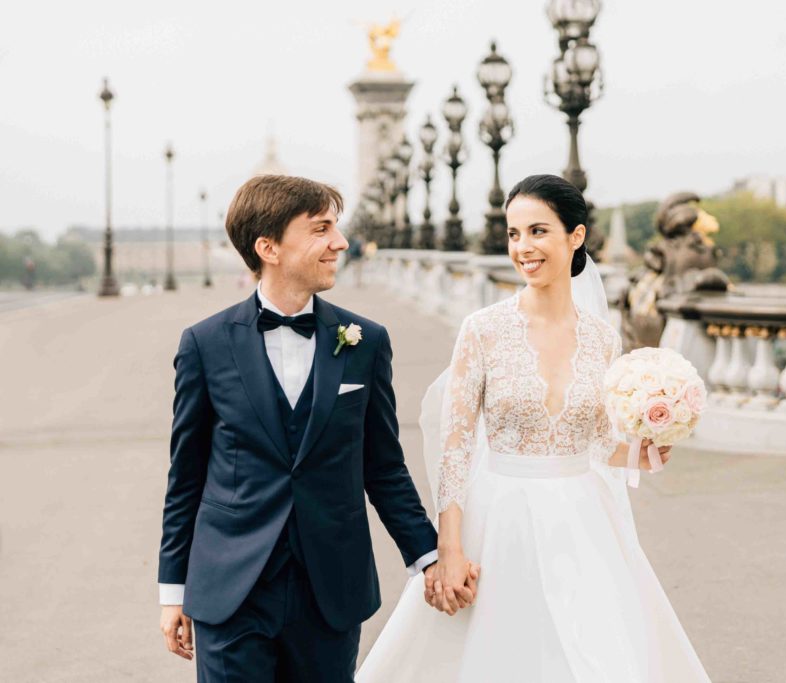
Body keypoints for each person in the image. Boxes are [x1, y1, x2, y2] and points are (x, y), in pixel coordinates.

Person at [357, 174, 711, 682]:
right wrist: (449, 550)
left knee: (596, 655)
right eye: (513, 233)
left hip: (583, 518)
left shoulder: (603, 340)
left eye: (538, 231)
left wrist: (648, 447)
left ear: (576, 237)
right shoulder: (482, 330)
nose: (523, 247)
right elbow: (454, 450)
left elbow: (596, 442)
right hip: (498, 519)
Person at [156, 174, 478, 682]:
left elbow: (384, 468)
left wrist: (430, 557)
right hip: (231, 589)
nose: (340, 243)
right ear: (269, 247)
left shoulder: (365, 341)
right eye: (321, 229)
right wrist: (173, 590)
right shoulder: (205, 344)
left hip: (331, 588)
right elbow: (186, 478)